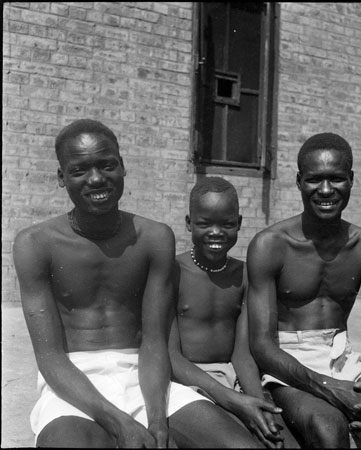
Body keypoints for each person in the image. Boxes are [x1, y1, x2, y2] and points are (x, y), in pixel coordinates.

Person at [13, 119, 268, 448]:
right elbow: (50, 357)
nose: (96, 179)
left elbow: (153, 340)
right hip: (73, 385)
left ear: (122, 167)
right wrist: (120, 423)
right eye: (79, 170)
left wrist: (157, 419)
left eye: (107, 165)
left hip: (146, 376)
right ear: (62, 177)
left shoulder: (154, 238)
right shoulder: (35, 244)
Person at [246, 133, 361, 448]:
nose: (326, 190)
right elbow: (262, 346)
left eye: (337, 179)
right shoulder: (270, 245)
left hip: (345, 360)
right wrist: (330, 388)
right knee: (329, 432)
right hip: (289, 366)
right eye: (315, 180)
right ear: (300, 181)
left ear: (352, 180)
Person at [168, 177, 299, 448]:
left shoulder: (244, 275)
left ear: (239, 223)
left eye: (226, 224)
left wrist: (260, 403)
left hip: (232, 378)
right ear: (189, 223)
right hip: (186, 382)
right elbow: (170, 356)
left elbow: (242, 353)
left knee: (280, 438)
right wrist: (234, 401)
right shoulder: (172, 272)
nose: (216, 232)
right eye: (205, 223)